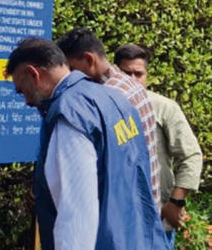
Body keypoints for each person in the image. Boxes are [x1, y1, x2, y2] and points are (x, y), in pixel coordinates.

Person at [5, 38, 168, 250]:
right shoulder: (113, 98)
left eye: (22, 90)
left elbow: (77, 213)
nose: (26, 100)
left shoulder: (71, 114)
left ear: (33, 74)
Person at [55, 27, 161, 206]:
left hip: (130, 209)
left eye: (72, 68)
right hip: (147, 203)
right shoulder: (129, 83)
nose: (70, 77)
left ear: (89, 59)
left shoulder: (109, 97)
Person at [115, 43, 203, 244]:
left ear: (147, 75)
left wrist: (176, 202)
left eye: (139, 74)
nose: (133, 80)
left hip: (157, 219)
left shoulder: (164, 108)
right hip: (118, 217)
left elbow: (191, 156)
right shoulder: (104, 107)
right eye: (126, 73)